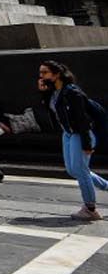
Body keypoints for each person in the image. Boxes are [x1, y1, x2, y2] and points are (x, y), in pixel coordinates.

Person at [38, 60, 108, 220]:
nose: (41, 76)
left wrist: (87, 143)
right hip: (67, 134)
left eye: (44, 73)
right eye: (40, 73)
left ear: (56, 75)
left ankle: (90, 209)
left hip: (80, 133)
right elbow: (52, 113)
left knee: (81, 170)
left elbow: (82, 119)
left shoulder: (72, 92)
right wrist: (43, 93)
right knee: (73, 170)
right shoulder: (54, 92)